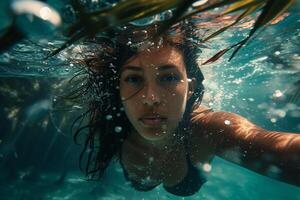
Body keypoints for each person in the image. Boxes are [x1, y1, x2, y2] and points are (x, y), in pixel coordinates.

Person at [73, 22, 300, 197]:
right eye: (133, 78)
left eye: (169, 77)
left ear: (190, 88)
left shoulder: (209, 129)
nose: (151, 98)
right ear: (118, 88)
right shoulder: (105, 120)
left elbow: (276, 148)